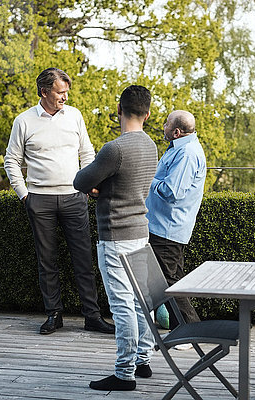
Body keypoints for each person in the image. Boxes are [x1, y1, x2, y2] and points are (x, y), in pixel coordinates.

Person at [4, 68, 114, 335]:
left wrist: (88, 184)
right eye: (60, 92)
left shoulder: (75, 115)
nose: (65, 96)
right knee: (47, 261)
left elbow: (87, 152)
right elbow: (11, 160)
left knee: (83, 260)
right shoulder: (24, 121)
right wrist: (24, 194)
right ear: (44, 91)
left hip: (74, 197)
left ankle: (92, 316)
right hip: (39, 199)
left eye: (66, 92)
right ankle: (54, 315)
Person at [73, 85, 158, 391]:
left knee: (122, 305)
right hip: (140, 231)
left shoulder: (115, 149)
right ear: (147, 114)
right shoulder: (151, 146)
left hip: (116, 235)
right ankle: (142, 360)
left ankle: (124, 373)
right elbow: (130, 185)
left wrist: (98, 188)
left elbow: (80, 180)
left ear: (119, 110)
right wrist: (104, 188)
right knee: (140, 301)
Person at [145, 110, 206, 334]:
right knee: (169, 281)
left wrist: (148, 179)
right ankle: (181, 329)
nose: (163, 126)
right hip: (162, 226)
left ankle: (191, 331)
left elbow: (172, 192)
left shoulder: (187, 153)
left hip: (168, 229)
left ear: (176, 131)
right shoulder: (178, 149)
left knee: (170, 283)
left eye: (166, 124)